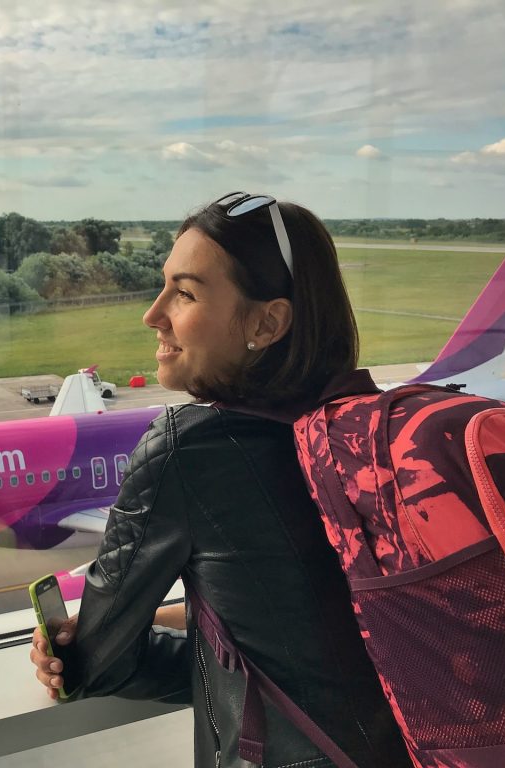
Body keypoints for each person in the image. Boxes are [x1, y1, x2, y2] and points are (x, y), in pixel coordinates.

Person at [29, 193, 411, 767]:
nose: (152, 314)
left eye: (184, 293)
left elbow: (98, 664)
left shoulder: (187, 449)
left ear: (267, 321)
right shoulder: (368, 429)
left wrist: (75, 650)